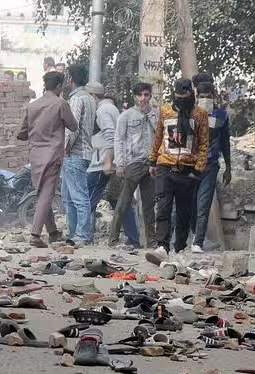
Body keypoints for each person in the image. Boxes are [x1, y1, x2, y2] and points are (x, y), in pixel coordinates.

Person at [17, 71, 77, 248]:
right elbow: (74, 126)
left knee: (43, 193)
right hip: (52, 155)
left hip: (35, 155)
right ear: (59, 86)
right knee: (46, 195)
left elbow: (22, 133)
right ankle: (35, 234)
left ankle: (53, 232)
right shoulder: (60, 104)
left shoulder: (32, 106)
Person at [149, 78, 209, 256]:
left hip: (188, 168)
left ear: (191, 94)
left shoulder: (200, 114)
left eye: (185, 95)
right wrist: (152, 161)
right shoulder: (165, 111)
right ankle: (162, 246)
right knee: (163, 207)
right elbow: (158, 137)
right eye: (179, 95)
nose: (182, 99)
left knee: (184, 211)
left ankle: (180, 247)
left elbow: (204, 144)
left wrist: (198, 169)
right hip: (165, 166)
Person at [108, 82, 158, 248]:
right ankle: (113, 238)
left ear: (150, 96)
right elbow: (119, 139)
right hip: (133, 162)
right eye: (140, 95)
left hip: (150, 163)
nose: (143, 98)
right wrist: (120, 163)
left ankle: (151, 241)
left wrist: (149, 114)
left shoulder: (155, 115)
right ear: (135, 97)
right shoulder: (126, 116)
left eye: (146, 95)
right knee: (124, 201)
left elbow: (160, 136)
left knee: (149, 204)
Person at [190, 80, 231, 253]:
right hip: (190, 165)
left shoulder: (221, 115)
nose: (205, 99)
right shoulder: (190, 113)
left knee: (204, 203)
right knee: (189, 204)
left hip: (211, 164)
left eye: (208, 97)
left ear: (213, 97)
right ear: (196, 97)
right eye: (201, 97)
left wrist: (228, 167)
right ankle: (187, 238)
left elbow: (225, 142)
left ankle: (198, 242)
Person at [61, 64, 95, 246]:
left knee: (79, 197)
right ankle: (73, 233)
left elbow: (72, 128)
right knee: (68, 196)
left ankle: (82, 235)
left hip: (75, 153)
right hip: (84, 152)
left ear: (71, 79)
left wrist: (65, 149)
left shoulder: (76, 99)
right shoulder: (89, 98)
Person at [85, 82, 119, 244]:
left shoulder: (102, 110)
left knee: (87, 199)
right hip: (104, 160)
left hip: (101, 163)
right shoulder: (111, 108)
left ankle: (85, 234)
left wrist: (107, 161)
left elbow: (111, 135)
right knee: (109, 198)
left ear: (92, 96)